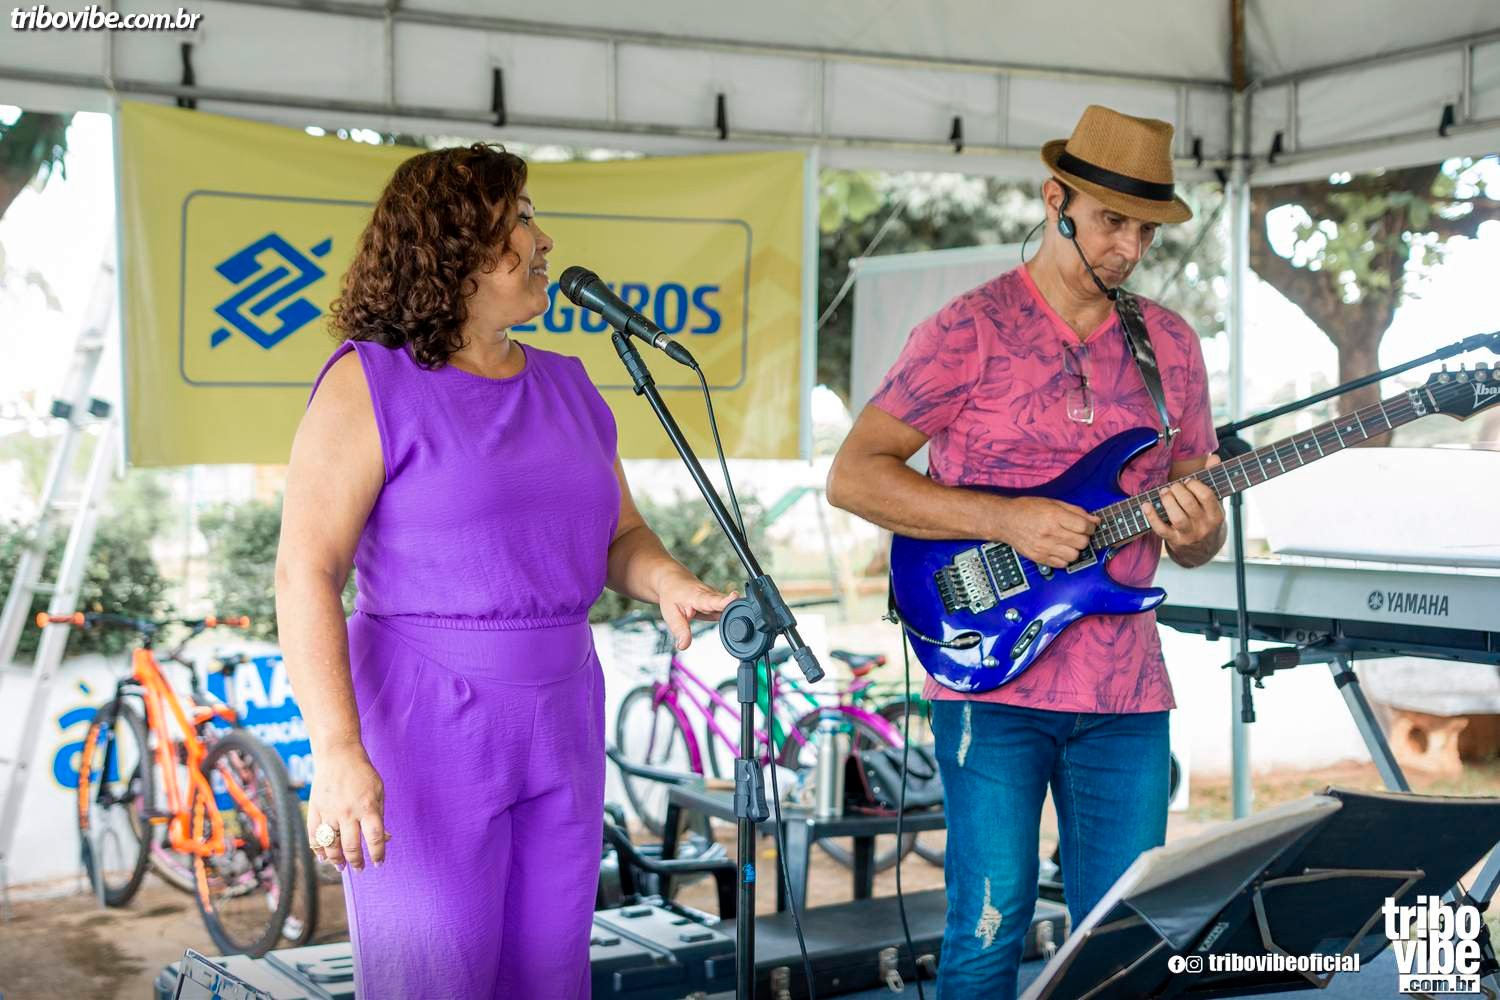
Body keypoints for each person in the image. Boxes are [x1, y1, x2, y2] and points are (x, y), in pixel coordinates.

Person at [274, 143, 732, 998]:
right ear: (452, 247)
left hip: (561, 711)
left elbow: (619, 534)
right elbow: (306, 571)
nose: (543, 239)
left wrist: (668, 579)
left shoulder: (569, 383)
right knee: (433, 978)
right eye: (519, 219)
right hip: (424, 718)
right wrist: (335, 749)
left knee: (550, 976)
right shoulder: (368, 383)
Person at [826, 105, 1226, 998]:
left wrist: (1201, 531)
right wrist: (1007, 521)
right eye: (1113, 221)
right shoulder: (968, 328)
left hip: (1125, 690)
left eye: (1147, 230)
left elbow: (1198, 527)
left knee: (1124, 939)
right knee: (986, 932)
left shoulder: (1171, 346)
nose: (1129, 247)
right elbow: (854, 477)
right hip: (989, 678)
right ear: (1056, 200)